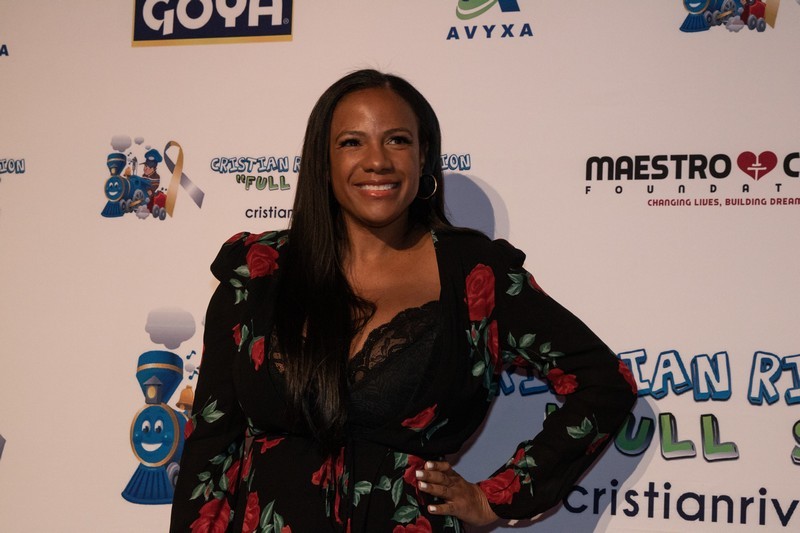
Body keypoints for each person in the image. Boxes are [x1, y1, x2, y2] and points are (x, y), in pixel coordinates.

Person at [170, 69, 637, 532]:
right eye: (352, 142)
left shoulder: (474, 275)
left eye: (397, 140)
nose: (377, 161)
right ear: (323, 160)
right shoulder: (260, 270)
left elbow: (603, 383)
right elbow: (212, 444)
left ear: (423, 155)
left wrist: (495, 497)